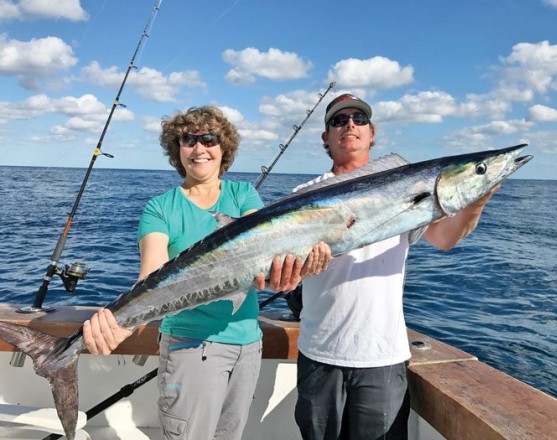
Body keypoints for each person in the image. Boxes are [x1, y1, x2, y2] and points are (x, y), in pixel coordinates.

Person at [82, 105, 329, 440]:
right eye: (189, 140)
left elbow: (269, 255)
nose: (199, 148)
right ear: (177, 149)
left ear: (222, 148)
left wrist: (294, 270)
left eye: (209, 139)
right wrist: (119, 322)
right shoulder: (160, 208)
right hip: (190, 346)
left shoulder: (243, 195)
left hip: (247, 345)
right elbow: (150, 276)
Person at [293, 93, 500, 440]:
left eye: (359, 119)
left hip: (382, 357)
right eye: (338, 120)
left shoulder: (407, 186)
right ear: (325, 137)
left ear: (372, 133)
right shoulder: (303, 194)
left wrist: (474, 202)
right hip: (318, 353)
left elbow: (444, 238)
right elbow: (283, 271)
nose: (350, 126)